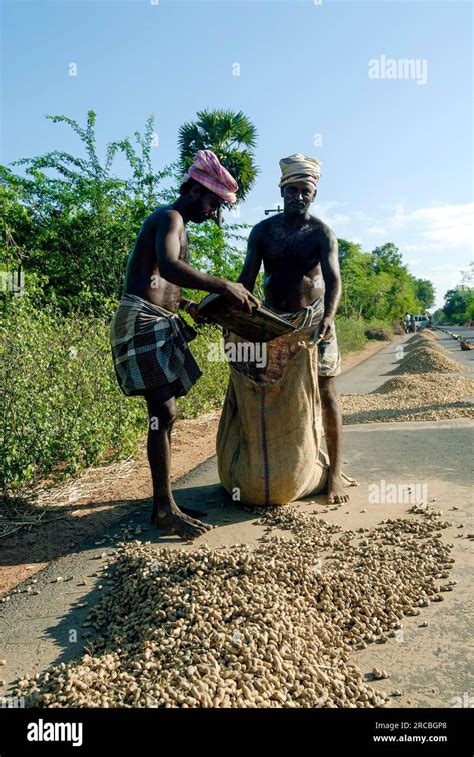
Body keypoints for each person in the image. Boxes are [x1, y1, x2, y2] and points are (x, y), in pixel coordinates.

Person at [110, 150, 259, 539]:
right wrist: (224, 284)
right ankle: (163, 508)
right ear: (194, 190)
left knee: (167, 411)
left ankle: (165, 503)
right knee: (162, 410)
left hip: (160, 319)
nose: (215, 213)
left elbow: (162, 279)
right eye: (213, 203)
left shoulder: (178, 223)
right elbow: (171, 266)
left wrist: (191, 304)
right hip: (143, 319)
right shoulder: (170, 218)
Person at [236, 153, 350, 504]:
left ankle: (334, 473)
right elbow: (246, 280)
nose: (298, 197)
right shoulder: (263, 232)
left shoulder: (321, 233)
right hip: (274, 322)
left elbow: (334, 282)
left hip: (314, 321)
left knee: (327, 393)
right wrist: (232, 312)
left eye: (305, 191)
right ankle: (279, 471)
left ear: (314, 194)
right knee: (271, 391)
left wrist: (328, 317)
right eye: (292, 190)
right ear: (281, 191)